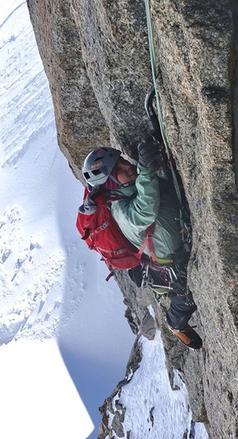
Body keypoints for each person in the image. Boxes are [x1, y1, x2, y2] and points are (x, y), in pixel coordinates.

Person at [80, 137, 203, 350]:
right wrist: (145, 170)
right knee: (186, 298)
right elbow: (145, 211)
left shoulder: (133, 187)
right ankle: (175, 323)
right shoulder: (120, 210)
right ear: (110, 182)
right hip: (169, 265)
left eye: (122, 160)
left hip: (177, 245)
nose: (128, 165)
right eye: (118, 168)